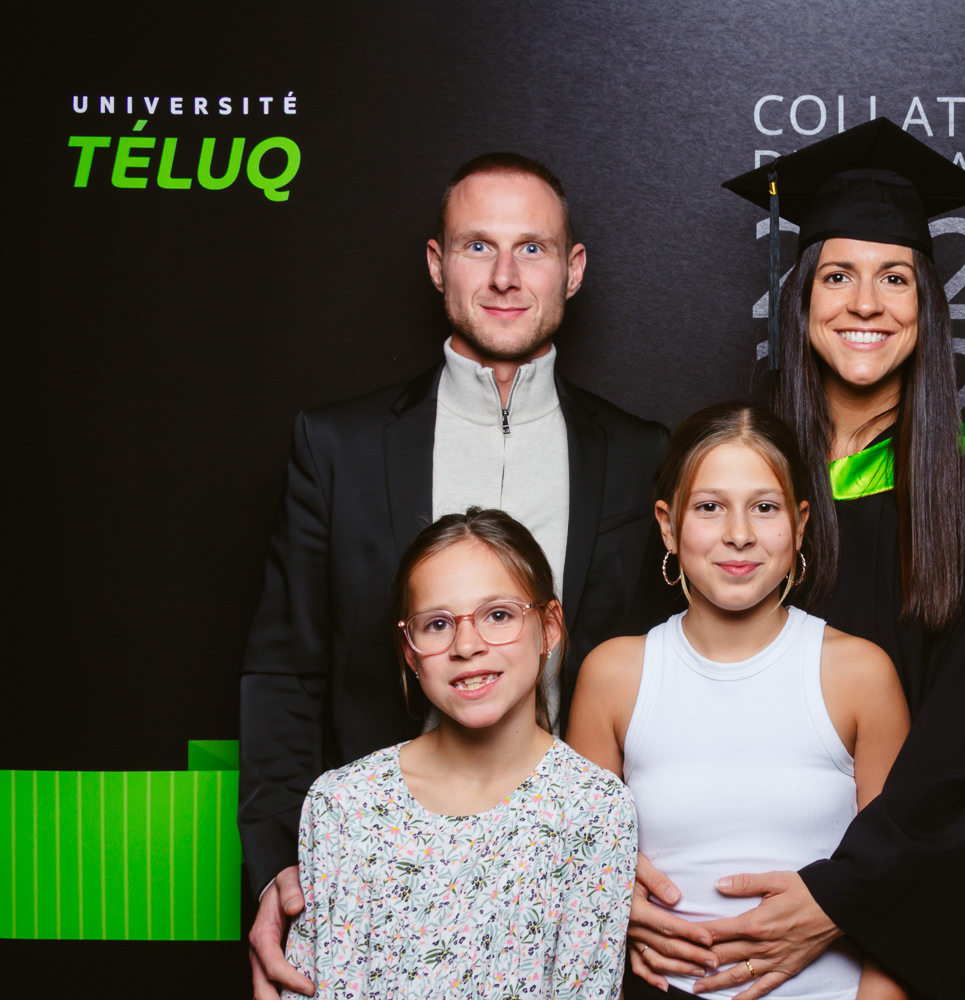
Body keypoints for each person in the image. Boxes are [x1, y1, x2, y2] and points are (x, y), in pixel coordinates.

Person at [242, 152, 669, 999]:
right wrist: (273, 875)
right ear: (438, 264)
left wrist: (631, 853)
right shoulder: (338, 447)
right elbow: (286, 672)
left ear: (573, 269)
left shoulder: (638, 454)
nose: (506, 276)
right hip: (378, 881)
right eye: (478, 247)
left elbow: (664, 673)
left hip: (567, 885)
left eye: (533, 249)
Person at [627, 120, 965, 999]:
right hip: (705, 922)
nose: (866, 304)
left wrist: (842, 898)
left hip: (885, 922)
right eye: (838, 275)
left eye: (896, 278)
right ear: (801, 298)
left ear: (928, 304)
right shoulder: (742, 484)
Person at [566, 402, 911, 1000]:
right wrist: (609, 892)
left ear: (800, 524)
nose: (739, 533)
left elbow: (901, 889)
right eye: (709, 507)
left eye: (765, 507)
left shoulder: (860, 673)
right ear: (668, 525)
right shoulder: (614, 675)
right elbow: (578, 874)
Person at [280, 507, 636, 998]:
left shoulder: (594, 808)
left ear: (549, 627)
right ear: (409, 650)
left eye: (498, 615)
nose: (466, 646)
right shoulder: (344, 805)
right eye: (437, 624)